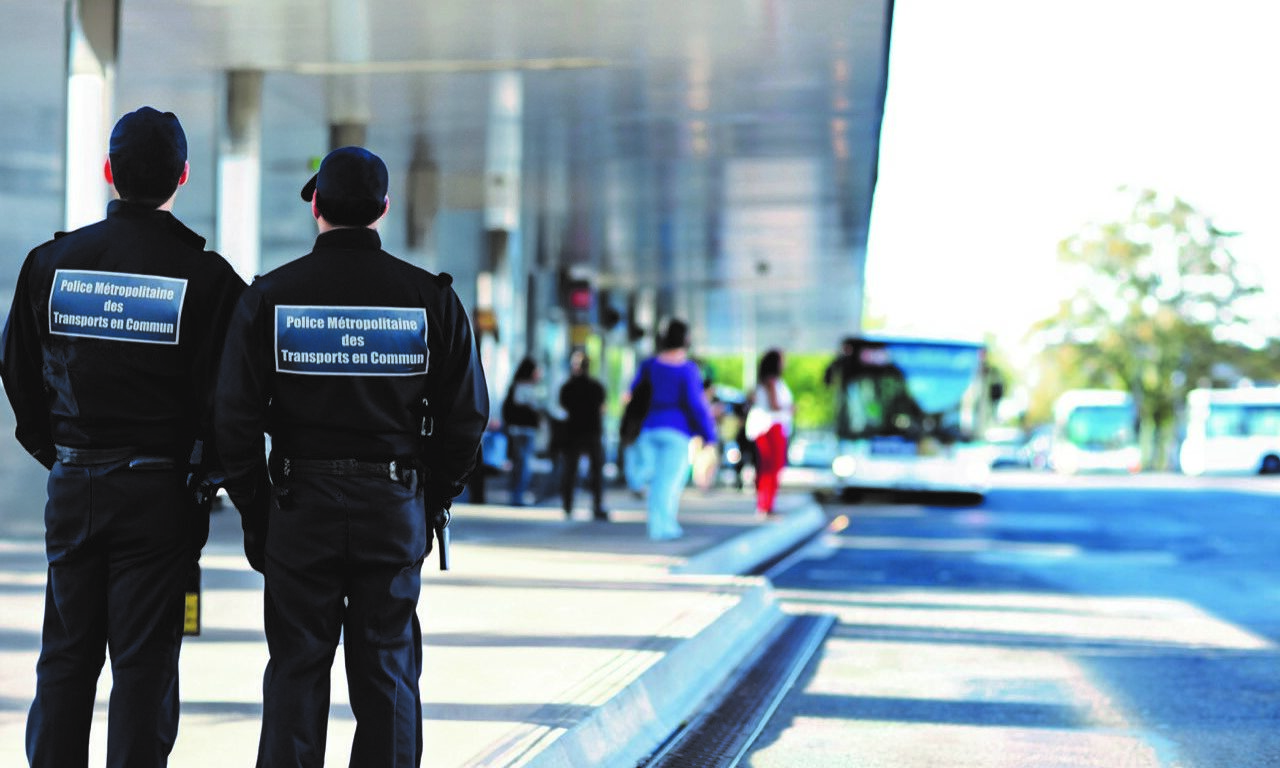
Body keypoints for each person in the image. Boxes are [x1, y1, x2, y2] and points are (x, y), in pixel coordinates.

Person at [214, 146, 489, 767]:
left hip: (297, 505)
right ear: (384, 211)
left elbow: (232, 417)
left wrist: (259, 511)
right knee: (387, 672)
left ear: (317, 207)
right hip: (392, 506)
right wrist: (429, 500)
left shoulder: (270, 297)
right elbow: (466, 417)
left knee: (295, 671)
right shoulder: (431, 300)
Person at [0, 106, 246, 767]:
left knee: (66, 655)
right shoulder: (211, 280)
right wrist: (206, 475)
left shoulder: (50, 264)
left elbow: (19, 374)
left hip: (74, 483)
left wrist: (62, 453)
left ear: (108, 173)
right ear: (183, 177)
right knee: (144, 664)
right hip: (161, 495)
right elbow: (234, 399)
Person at [624, 319, 717, 540]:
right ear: (685, 339)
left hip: (648, 428)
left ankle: (659, 522)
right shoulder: (687, 369)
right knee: (669, 482)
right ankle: (663, 528)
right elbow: (696, 405)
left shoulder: (649, 365)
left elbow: (631, 395)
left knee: (657, 481)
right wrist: (708, 435)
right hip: (676, 431)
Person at [558, 350, 608, 520]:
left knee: (570, 470)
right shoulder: (597, 387)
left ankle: (568, 504)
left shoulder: (568, 387)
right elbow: (602, 409)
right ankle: (597, 505)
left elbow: (563, 407)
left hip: (574, 432)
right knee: (596, 471)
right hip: (592, 431)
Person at [749, 348, 795, 516]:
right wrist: (789, 407)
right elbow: (774, 404)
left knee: (768, 468)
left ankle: (766, 504)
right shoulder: (772, 382)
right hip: (771, 428)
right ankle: (765, 505)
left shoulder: (764, 382)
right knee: (771, 468)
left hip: (768, 427)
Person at [501, 356, 543, 506]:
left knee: (518, 463)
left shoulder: (515, 386)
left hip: (516, 430)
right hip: (524, 431)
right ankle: (518, 495)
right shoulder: (525, 387)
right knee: (523, 464)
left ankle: (516, 494)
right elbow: (527, 408)